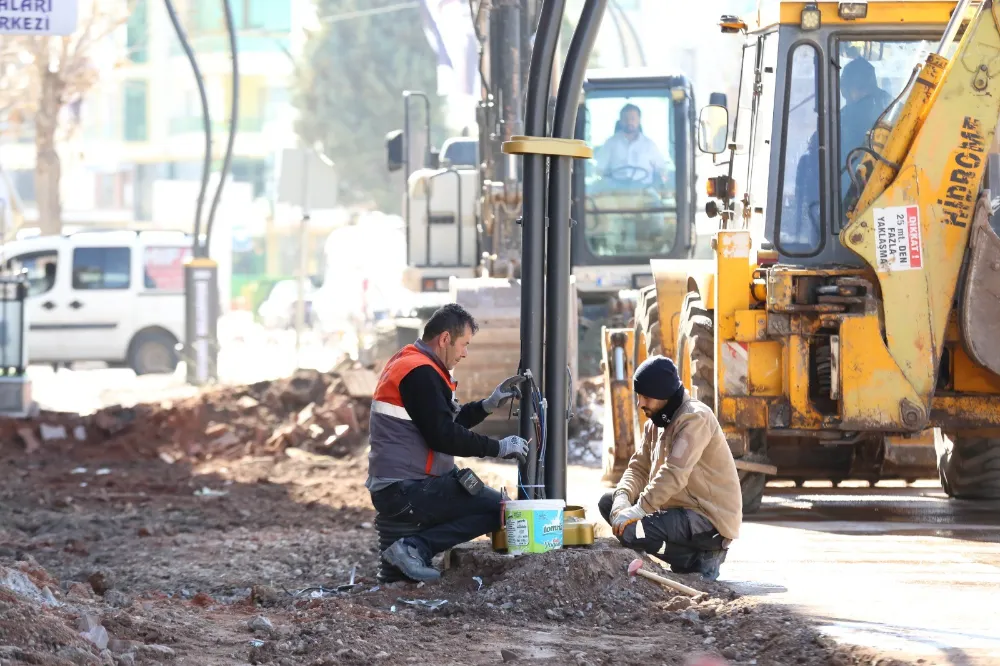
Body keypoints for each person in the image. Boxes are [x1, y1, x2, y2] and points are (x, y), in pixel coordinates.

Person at [367, 303, 529, 582]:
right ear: (444, 339)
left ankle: (412, 549)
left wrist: (487, 405)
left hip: (403, 484)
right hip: (407, 488)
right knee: (499, 509)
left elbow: (444, 423)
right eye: (464, 344)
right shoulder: (420, 373)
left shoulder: (413, 363)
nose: (465, 353)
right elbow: (443, 436)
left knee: (492, 504)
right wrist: (498, 448)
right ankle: (413, 547)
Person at [599, 355, 742, 581]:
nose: (640, 404)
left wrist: (639, 509)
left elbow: (674, 473)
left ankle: (701, 558)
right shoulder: (656, 424)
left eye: (645, 397)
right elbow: (638, 469)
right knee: (608, 503)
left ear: (663, 395)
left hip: (705, 518)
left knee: (630, 530)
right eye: (639, 396)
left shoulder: (694, 418)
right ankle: (683, 558)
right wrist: (623, 498)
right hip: (676, 511)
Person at [839, 56, 892, 196]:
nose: (867, 94)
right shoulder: (833, 125)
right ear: (844, 91)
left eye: (871, 88)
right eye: (861, 88)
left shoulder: (892, 117)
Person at [596, 103, 672, 186]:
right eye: (626, 119)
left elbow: (662, 169)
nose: (629, 122)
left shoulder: (649, 145)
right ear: (620, 121)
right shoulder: (610, 143)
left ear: (639, 120)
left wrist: (663, 182)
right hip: (616, 191)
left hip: (644, 191)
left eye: (633, 118)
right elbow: (599, 169)